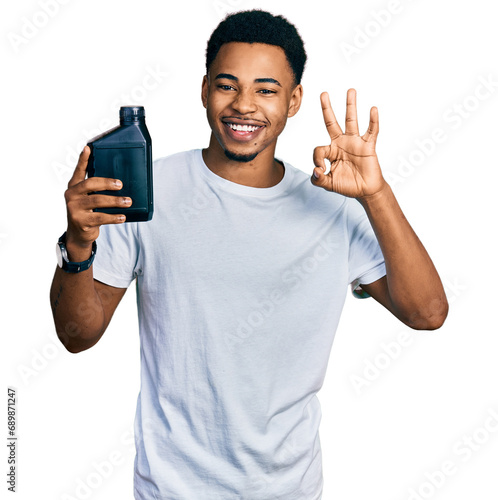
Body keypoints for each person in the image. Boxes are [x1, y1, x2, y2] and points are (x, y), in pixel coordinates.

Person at [50, 9, 448, 500]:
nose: (244, 106)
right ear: (203, 91)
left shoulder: (333, 206)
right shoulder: (150, 192)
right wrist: (78, 243)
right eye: (227, 85)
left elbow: (428, 314)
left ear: (294, 99)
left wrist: (376, 194)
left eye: (266, 89)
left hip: (290, 490)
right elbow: (77, 336)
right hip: (170, 491)